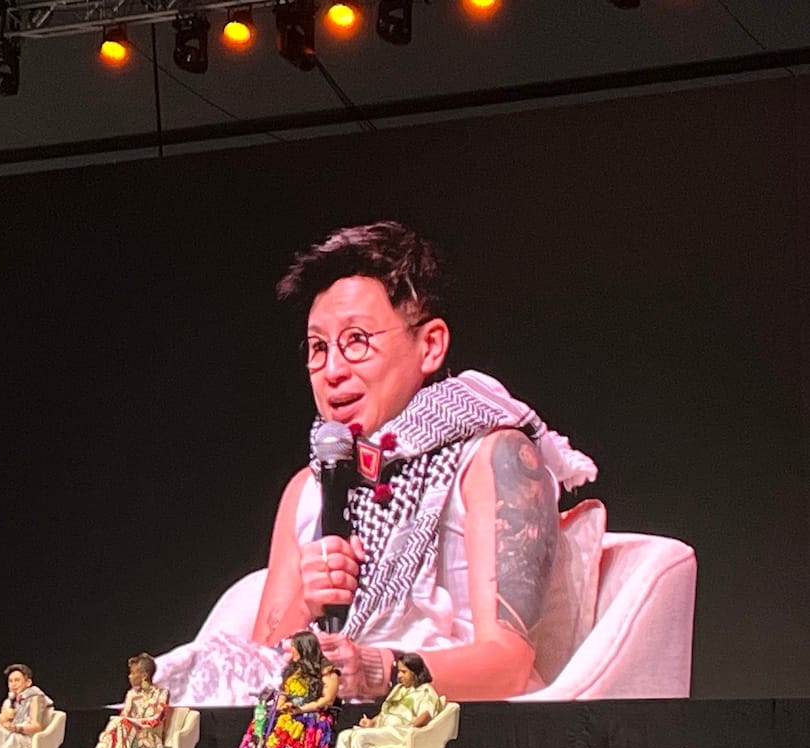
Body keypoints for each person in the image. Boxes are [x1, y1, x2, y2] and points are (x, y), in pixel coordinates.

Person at [156, 221, 597, 704]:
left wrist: (375, 669)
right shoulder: (308, 488)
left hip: (447, 721)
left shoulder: (493, 457)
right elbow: (259, 663)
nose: (333, 370)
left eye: (357, 341)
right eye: (319, 348)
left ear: (430, 345)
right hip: (323, 718)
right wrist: (307, 600)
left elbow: (508, 666)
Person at [226, 629, 340, 748]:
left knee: (291, 730)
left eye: (294, 647)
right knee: (258, 726)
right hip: (292, 712)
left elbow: (326, 700)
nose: (291, 650)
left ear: (304, 648)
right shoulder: (292, 671)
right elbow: (283, 695)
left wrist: (300, 709)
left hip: (314, 715)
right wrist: (280, 708)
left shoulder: (327, 671)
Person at [327, 651, 442, 748]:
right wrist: (372, 722)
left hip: (402, 732)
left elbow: (426, 715)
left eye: (404, 672)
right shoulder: (399, 689)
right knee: (345, 736)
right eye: (399, 671)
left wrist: (411, 728)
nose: (399, 676)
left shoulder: (425, 691)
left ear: (415, 672)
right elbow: (385, 712)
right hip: (385, 730)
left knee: (361, 738)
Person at [68, 652, 168, 748]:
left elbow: (156, 719)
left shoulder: (161, 693)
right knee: (120, 737)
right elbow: (124, 715)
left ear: (144, 675)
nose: (129, 676)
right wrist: (126, 721)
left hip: (148, 738)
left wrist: (132, 722)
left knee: (119, 729)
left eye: (133, 673)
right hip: (126, 737)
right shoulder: (131, 694)